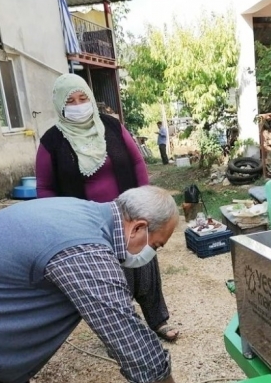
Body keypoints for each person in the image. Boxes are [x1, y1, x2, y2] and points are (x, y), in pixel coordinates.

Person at [0, 185, 179, 383]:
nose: (151, 254)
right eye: (155, 245)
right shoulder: (86, 249)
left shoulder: (79, 211)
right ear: (138, 227)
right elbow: (127, 337)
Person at [35, 73, 179, 342]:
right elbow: (44, 187)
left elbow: (137, 162)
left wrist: (145, 198)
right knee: (109, 276)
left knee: (145, 264)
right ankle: (123, 330)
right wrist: (58, 220)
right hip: (87, 223)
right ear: (59, 105)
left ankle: (158, 319)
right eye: (70, 101)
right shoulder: (51, 141)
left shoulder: (111, 127)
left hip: (129, 213)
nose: (78, 105)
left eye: (82, 98)